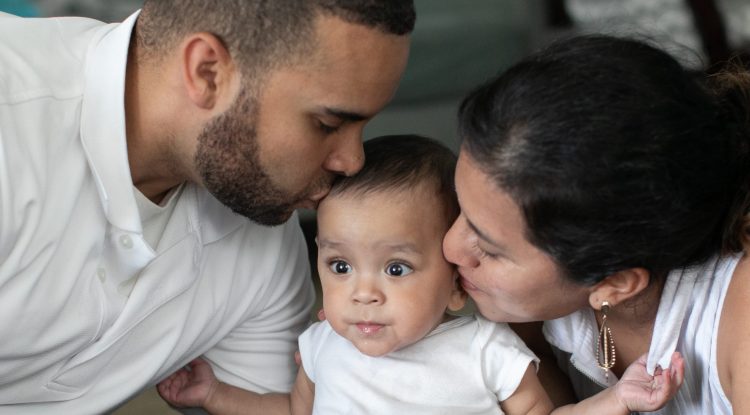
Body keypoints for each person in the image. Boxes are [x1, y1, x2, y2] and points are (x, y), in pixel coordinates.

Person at [0, 1, 414, 412]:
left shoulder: (263, 242)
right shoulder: (13, 122)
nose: (352, 162)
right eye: (327, 125)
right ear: (207, 72)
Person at [157, 134, 684, 415]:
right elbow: (296, 412)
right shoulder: (321, 345)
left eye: (396, 268)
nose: (362, 293)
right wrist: (214, 395)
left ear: (457, 284)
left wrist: (616, 399)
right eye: (339, 266)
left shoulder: (486, 351)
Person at [442, 34, 750, 414]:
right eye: (460, 208)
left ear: (614, 284)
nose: (450, 247)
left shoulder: (740, 322)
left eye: (488, 248)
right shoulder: (523, 307)